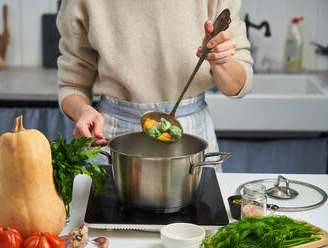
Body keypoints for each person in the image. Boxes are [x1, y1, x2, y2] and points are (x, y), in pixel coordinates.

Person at [56, 0, 253, 172]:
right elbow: (71, 84)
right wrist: (82, 111)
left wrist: (221, 61)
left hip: (192, 134)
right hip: (111, 138)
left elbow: (239, 85)